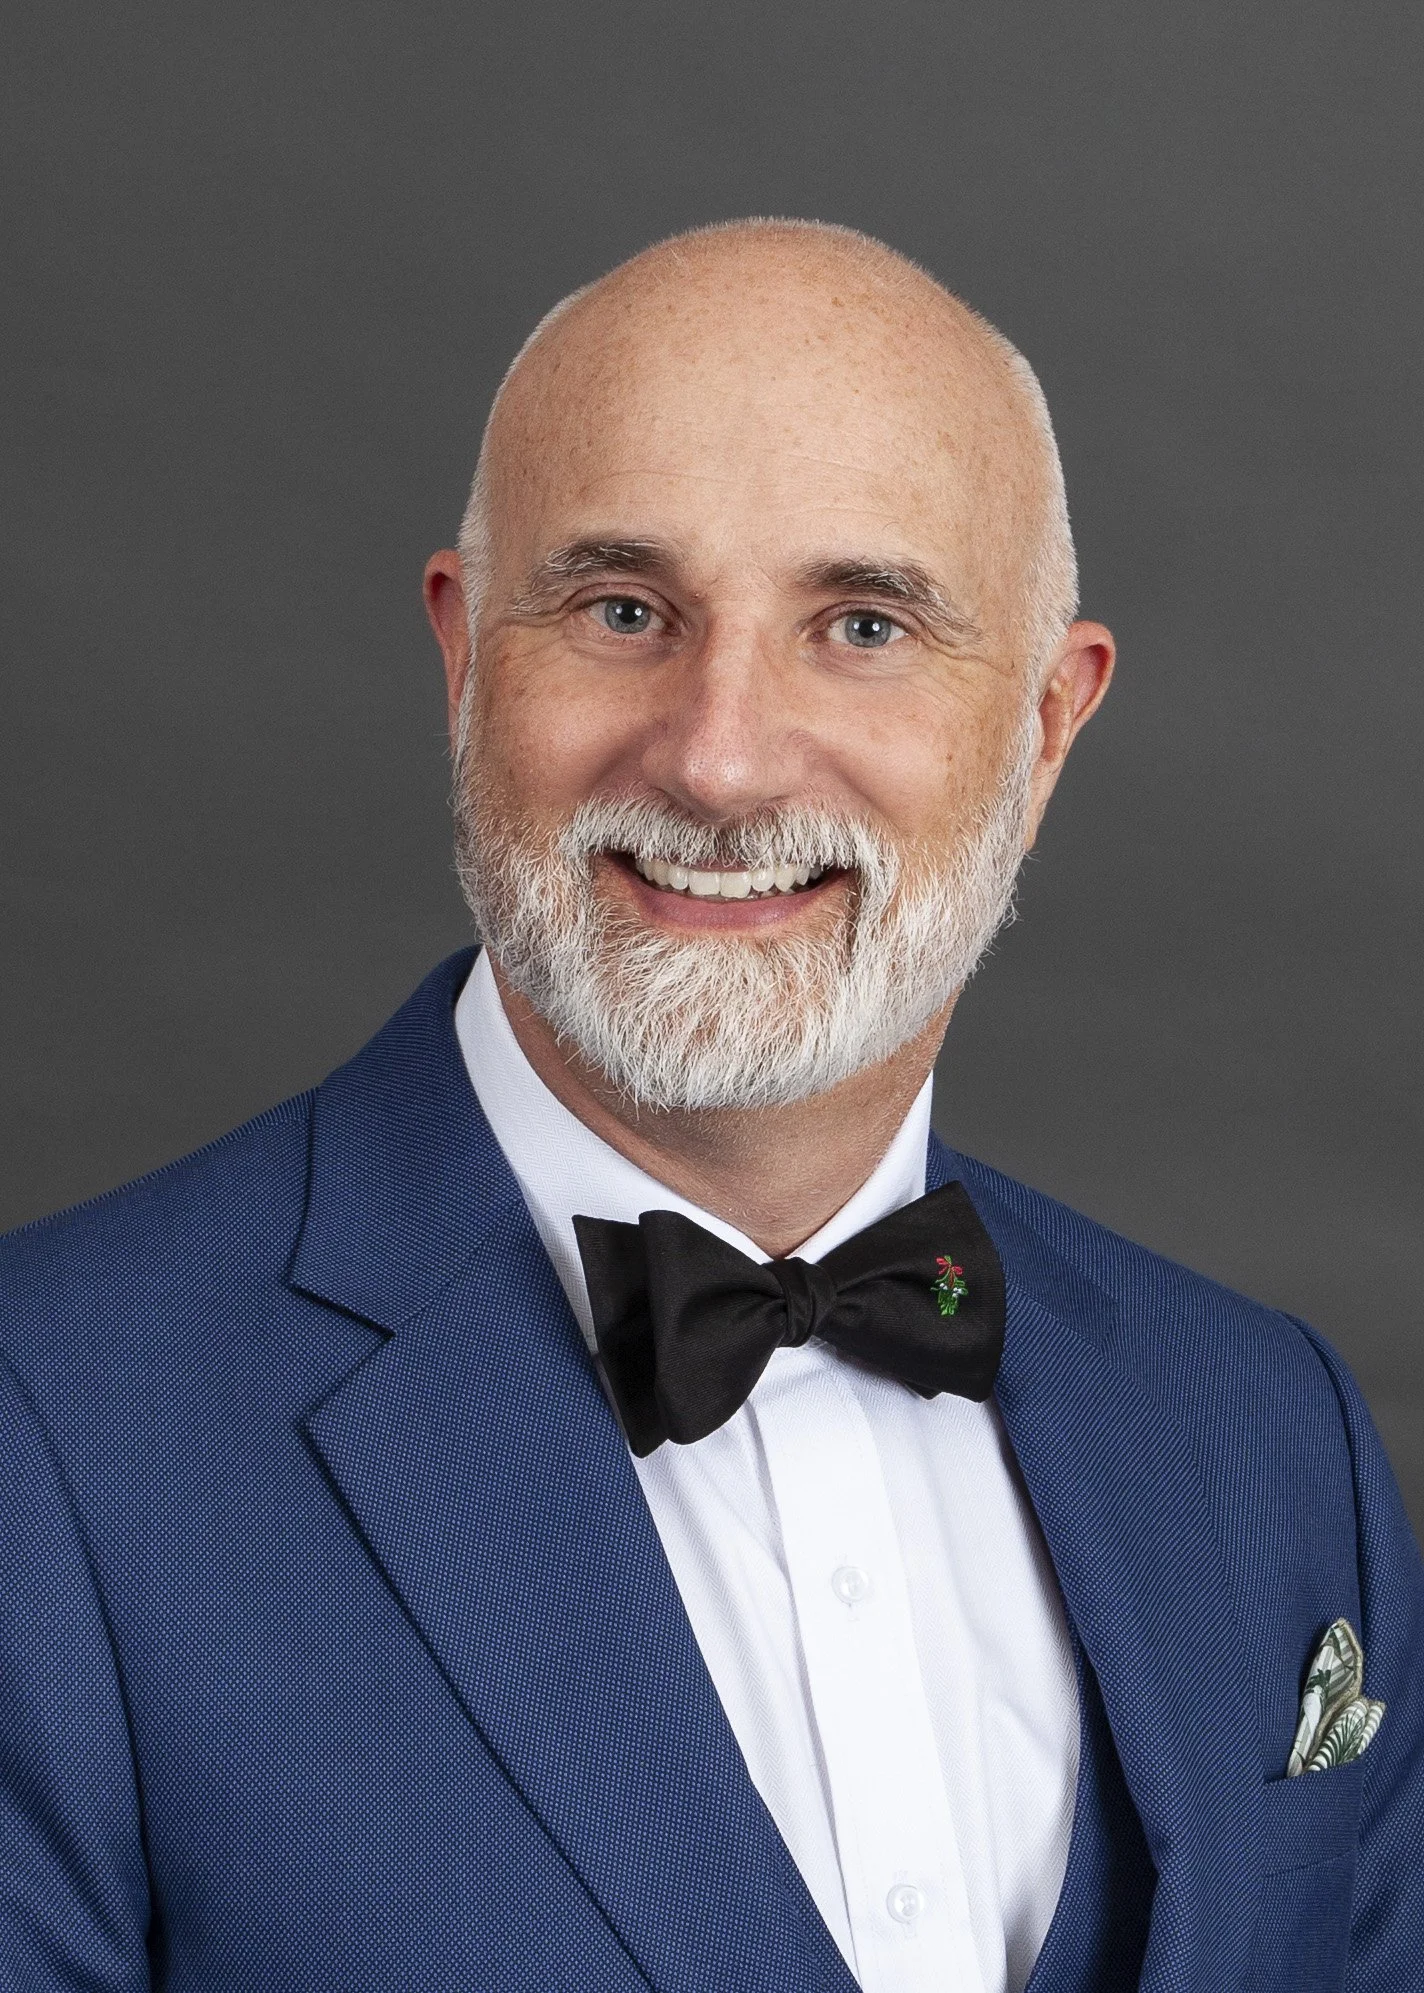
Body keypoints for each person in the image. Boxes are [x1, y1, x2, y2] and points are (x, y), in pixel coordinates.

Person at [1, 220, 1419, 1993]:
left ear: (1047, 730)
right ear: (464, 662)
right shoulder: (44, 1434)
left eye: (864, 623)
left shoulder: (1270, 1431)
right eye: (620, 611)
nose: (722, 756)